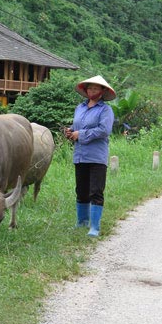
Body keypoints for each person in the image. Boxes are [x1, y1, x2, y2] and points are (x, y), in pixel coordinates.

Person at [65, 75, 115, 237]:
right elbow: (77, 126)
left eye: (95, 88)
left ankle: (94, 226)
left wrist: (81, 134)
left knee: (96, 191)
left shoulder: (105, 110)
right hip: (80, 155)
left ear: (102, 91)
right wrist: (71, 131)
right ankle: (82, 222)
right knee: (81, 190)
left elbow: (104, 130)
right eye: (90, 88)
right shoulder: (79, 108)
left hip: (97, 157)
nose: (92, 91)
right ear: (85, 90)